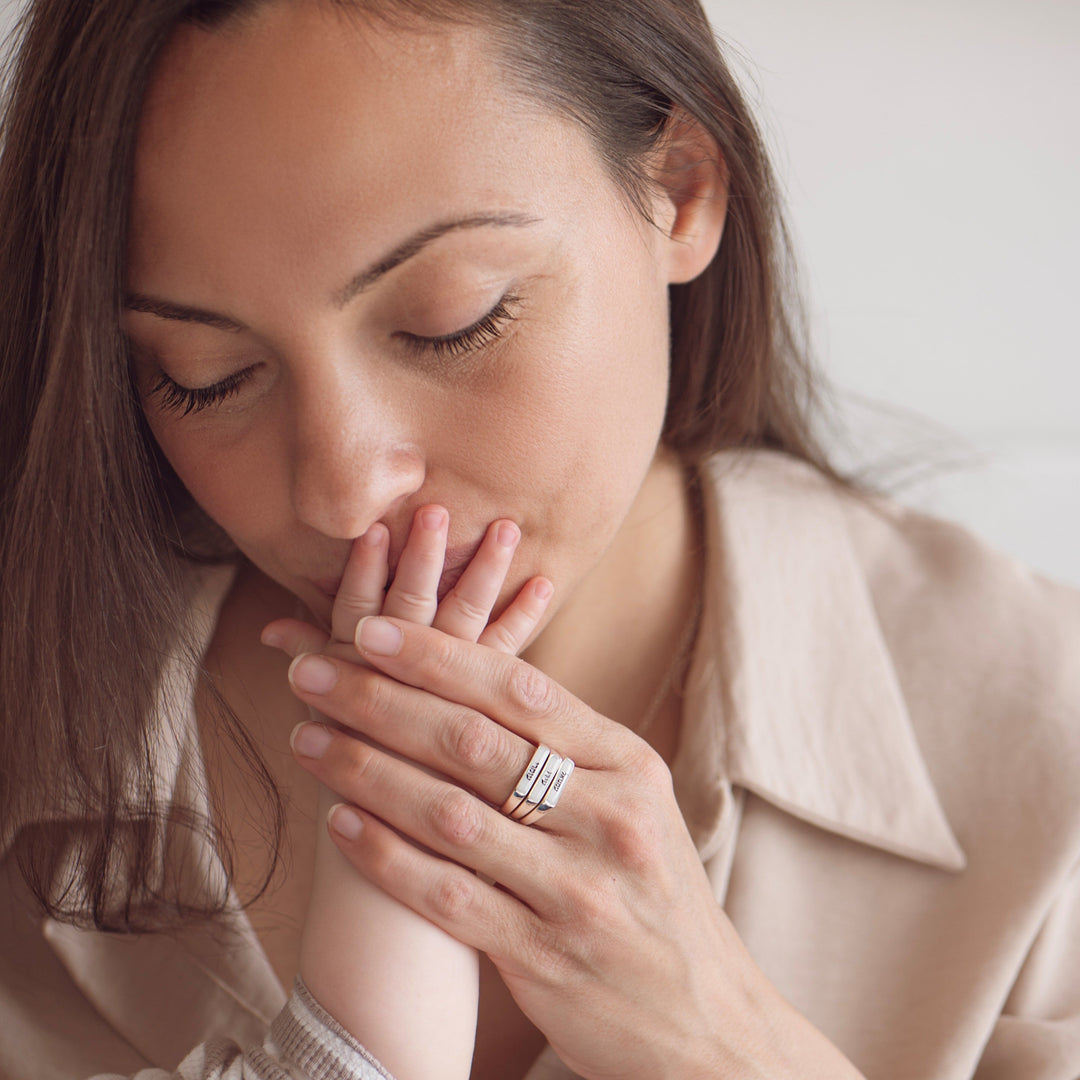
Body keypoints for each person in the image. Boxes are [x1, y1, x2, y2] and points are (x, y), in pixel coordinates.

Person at [0, 0, 1078, 1078]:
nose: (342, 494)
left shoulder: (1047, 751)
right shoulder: (31, 738)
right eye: (206, 379)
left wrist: (736, 1048)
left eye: (453, 321)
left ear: (681, 187)